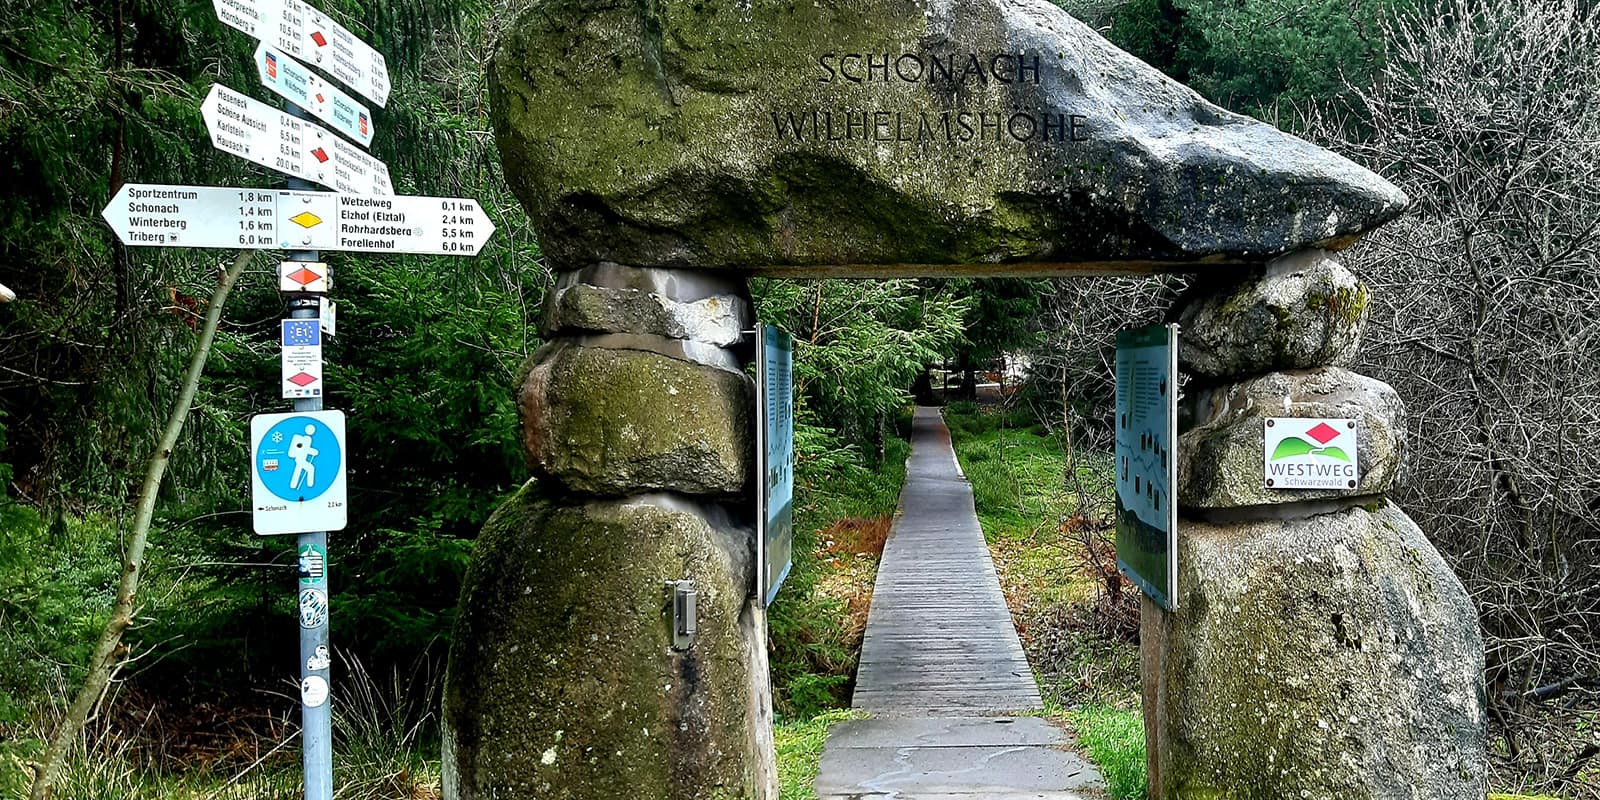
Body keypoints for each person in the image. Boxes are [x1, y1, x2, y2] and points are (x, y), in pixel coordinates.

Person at [289, 424, 319, 490]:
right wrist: (313, 451)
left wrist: (313, 451)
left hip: (302, 459)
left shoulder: (308, 439)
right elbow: (303, 449)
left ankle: (295, 485)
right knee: (310, 468)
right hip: (299, 459)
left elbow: (305, 448)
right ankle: (309, 486)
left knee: (300, 470)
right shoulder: (299, 438)